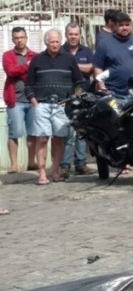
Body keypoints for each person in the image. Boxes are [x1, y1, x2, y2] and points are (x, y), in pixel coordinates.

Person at [25, 28, 85, 185]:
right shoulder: (37, 59)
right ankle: (42, 173)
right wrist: (34, 102)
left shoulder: (69, 59)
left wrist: (73, 98)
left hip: (62, 105)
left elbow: (79, 81)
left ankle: (56, 170)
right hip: (42, 104)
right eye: (52, 42)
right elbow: (29, 84)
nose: (55, 44)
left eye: (57, 41)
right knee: (42, 139)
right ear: (46, 43)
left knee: (59, 139)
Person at [59, 23, 96, 179]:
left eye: (76, 34)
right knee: (67, 132)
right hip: (65, 97)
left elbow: (91, 69)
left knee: (82, 132)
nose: (73, 37)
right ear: (66, 35)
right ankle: (64, 166)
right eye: (70, 34)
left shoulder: (86, 51)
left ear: (79, 35)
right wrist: (80, 66)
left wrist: (72, 64)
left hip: (83, 97)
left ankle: (81, 163)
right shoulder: (59, 51)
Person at [93, 11, 133, 104]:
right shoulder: (104, 44)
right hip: (113, 94)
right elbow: (98, 68)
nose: (125, 27)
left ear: (131, 26)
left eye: (127, 25)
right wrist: (102, 88)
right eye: (121, 25)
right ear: (115, 26)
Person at [3, 26, 37, 173]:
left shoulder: (34, 56)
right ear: (12, 39)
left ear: (26, 37)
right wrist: (26, 67)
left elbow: (34, 75)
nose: (19, 40)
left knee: (33, 133)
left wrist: (21, 69)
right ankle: (14, 165)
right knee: (14, 133)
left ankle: (31, 162)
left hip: (32, 100)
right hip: (15, 100)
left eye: (22, 37)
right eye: (16, 38)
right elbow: (10, 71)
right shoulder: (8, 55)